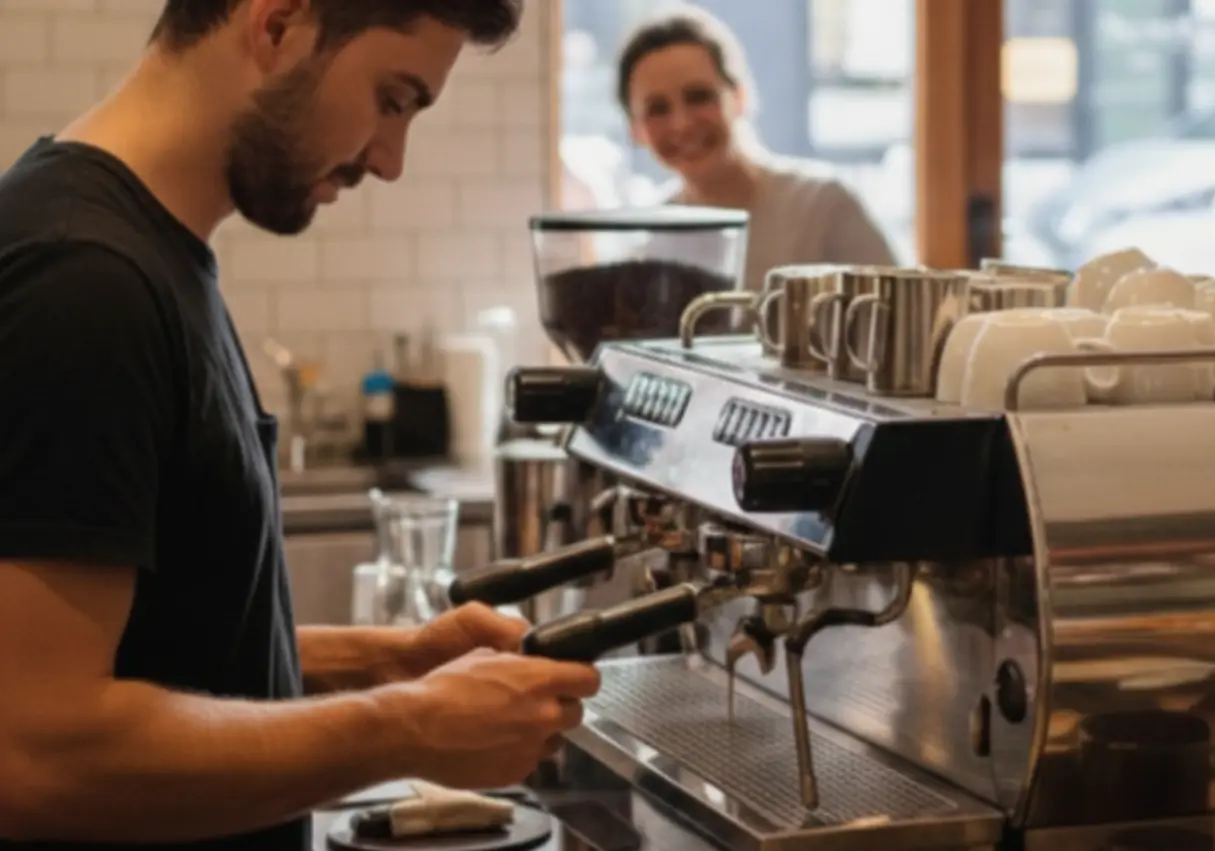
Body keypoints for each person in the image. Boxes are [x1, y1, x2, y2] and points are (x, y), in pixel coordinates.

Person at [0, 2, 601, 849]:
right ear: (278, 24)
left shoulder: (143, 255)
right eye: (394, 99)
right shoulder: (83, 283)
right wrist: (405, 724)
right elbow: (33, 754)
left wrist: (385, 662)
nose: (390, 160)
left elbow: (167, 643)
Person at [617, 5, 899, 290]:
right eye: (657, 109)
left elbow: (899, 321)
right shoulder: (646, 241)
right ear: (635, 129)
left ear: (740, 97)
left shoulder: (823, 207)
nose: (681, 124)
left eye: (698, 97)